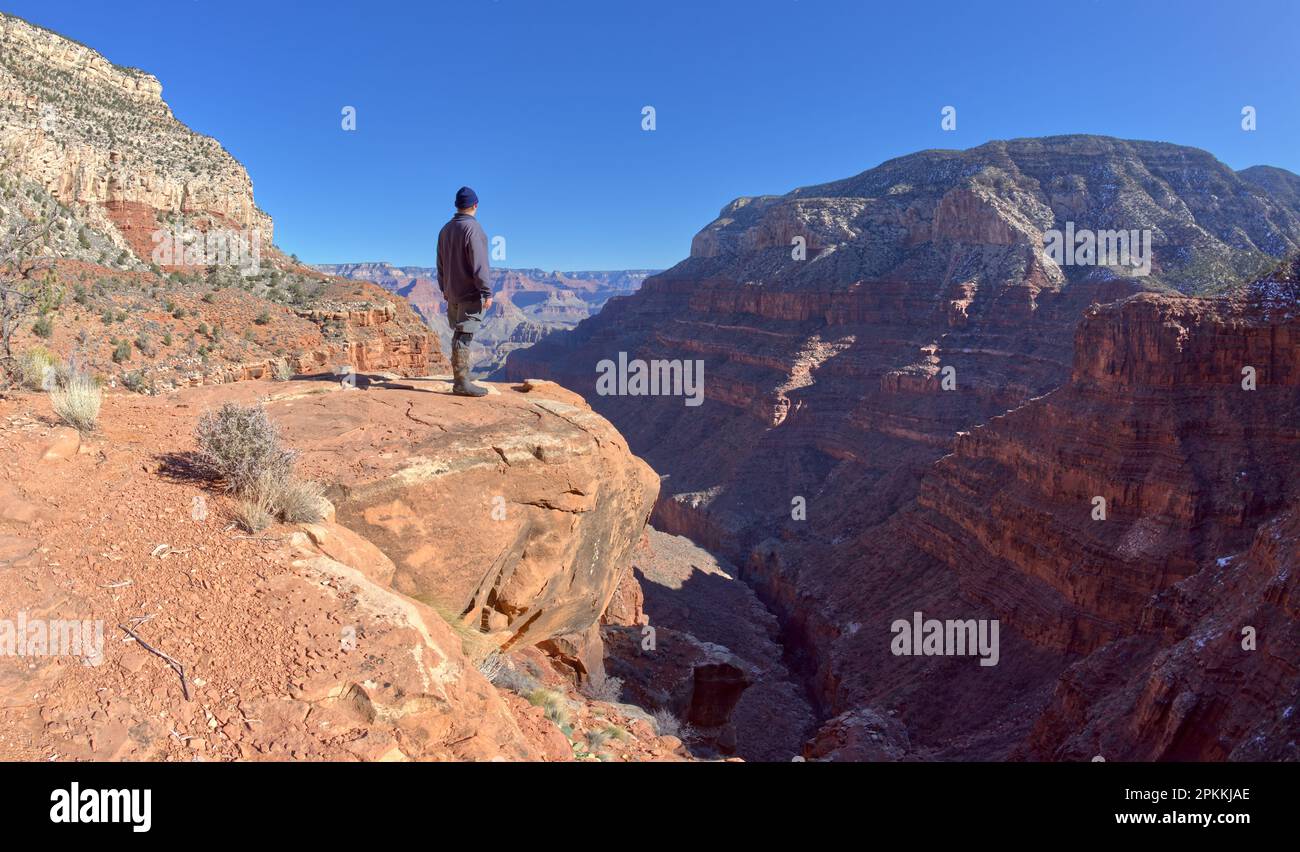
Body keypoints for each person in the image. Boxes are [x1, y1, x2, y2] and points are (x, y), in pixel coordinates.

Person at [435, 186, 494, 396]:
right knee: (464, 334)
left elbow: (440, 264)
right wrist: (487, 291)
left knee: (459, 332)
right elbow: (480, 265)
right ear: (475, 205)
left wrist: (444, 287)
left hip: (452, 292)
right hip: (469, 293)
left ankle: (462, 375)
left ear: (457, 206)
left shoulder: (445, 230)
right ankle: (461, 383)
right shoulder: (473, 229)